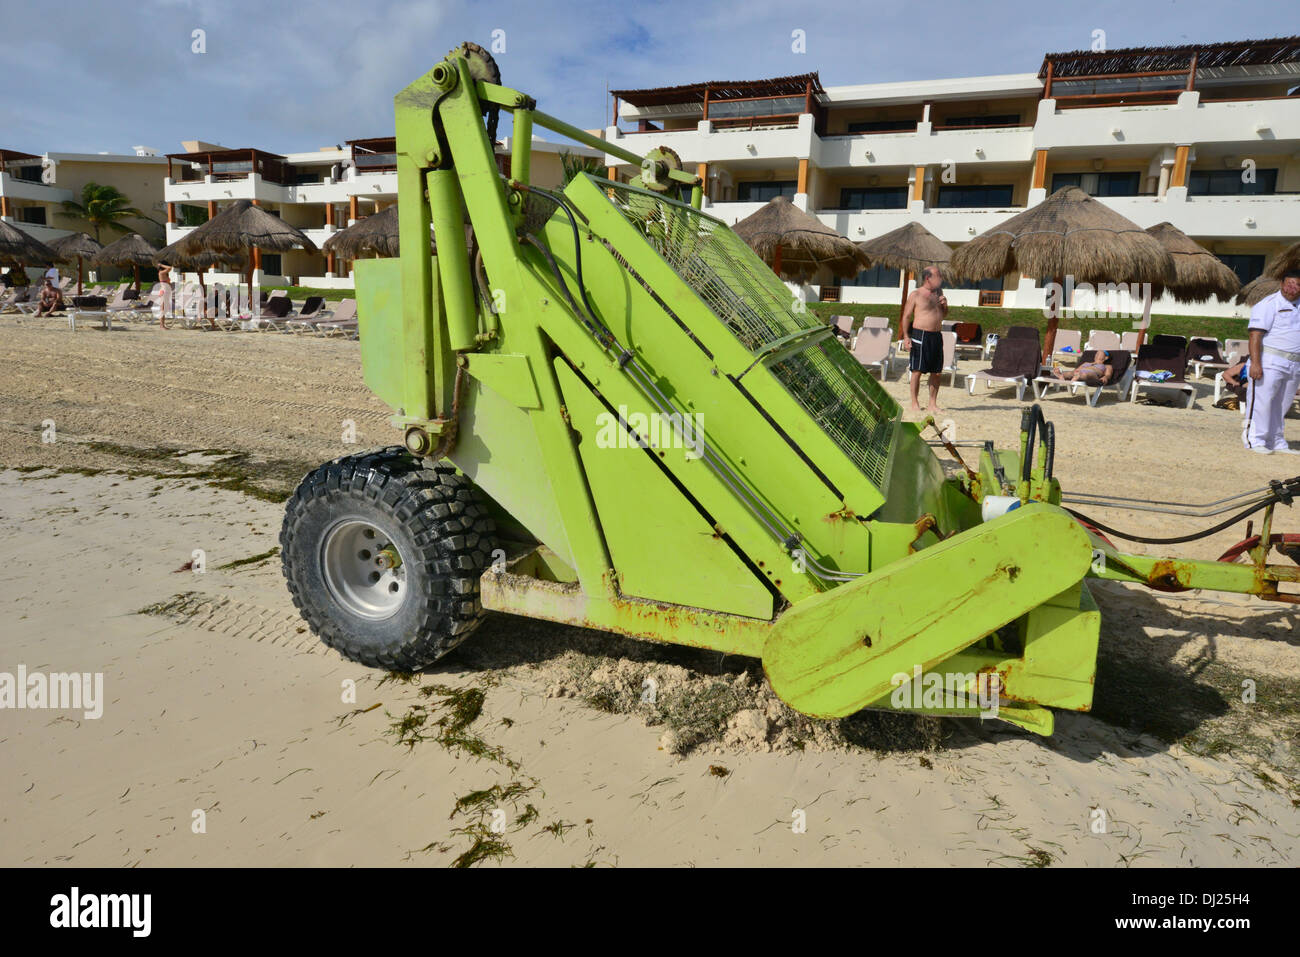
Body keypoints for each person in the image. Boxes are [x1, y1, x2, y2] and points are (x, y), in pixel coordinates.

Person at [1244, 270, 1300, 455]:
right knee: (1262, 401)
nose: (1292, 288)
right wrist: (1255, 363)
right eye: (1289, 283)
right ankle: (1254, 439)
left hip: (1294, 362)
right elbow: (1255, 335)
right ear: (1282, 284)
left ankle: (1276, 441)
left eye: (1297, 284)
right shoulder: (1268, 304)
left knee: (1282, 404)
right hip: (1270, 359)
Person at [898, 266, 949, 414]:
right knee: (917, 371)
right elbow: (906, 316)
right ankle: (914, 403)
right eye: (938, 276)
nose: (941, 279)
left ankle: (932, 404)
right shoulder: (916, 294)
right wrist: (906, 337)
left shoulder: (939, 293)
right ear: (928, 278)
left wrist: (945, 305)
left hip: (936, 336)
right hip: (921, 335)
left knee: (937, 372)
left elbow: (943, 314)